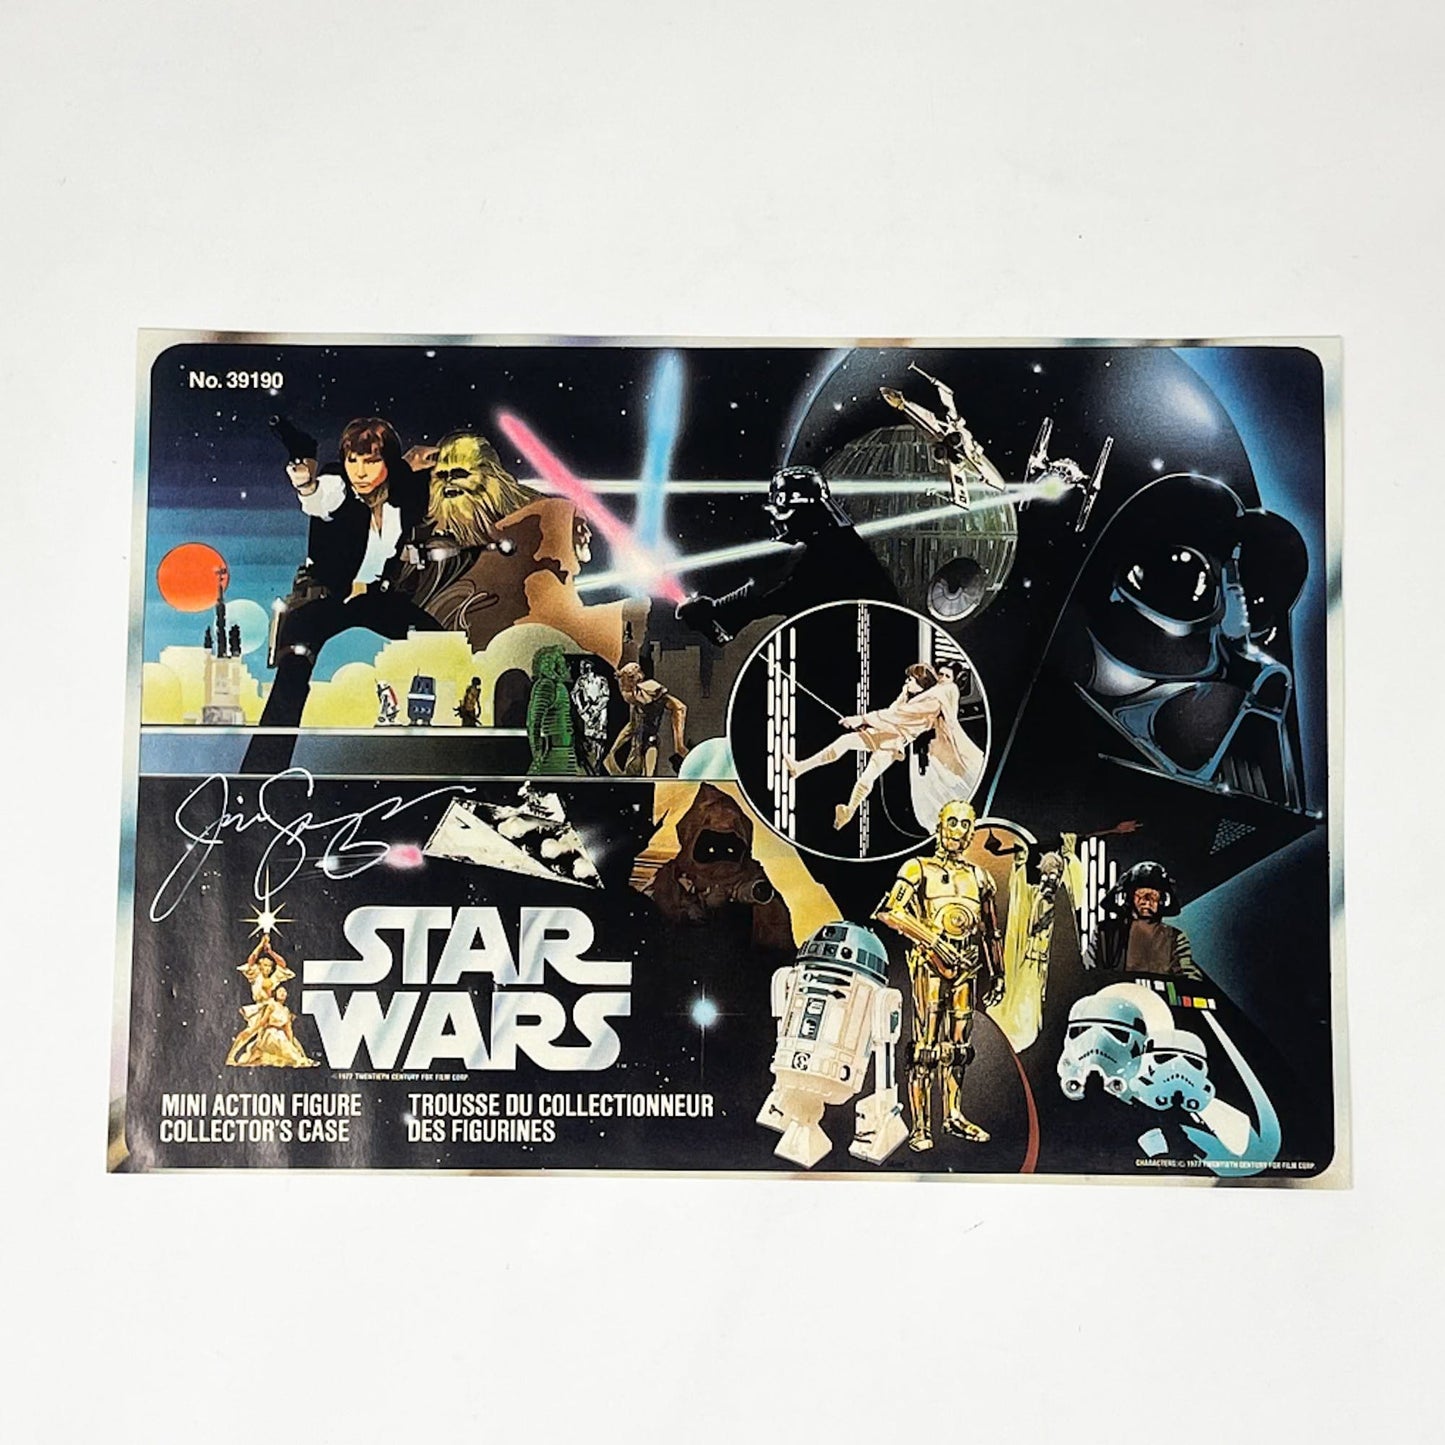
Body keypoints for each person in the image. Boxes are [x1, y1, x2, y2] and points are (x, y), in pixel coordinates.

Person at [244, 417, 440, 771]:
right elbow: (318, 497)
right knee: (294, 669)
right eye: (353, 460)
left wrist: (425, 460)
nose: (360, 471)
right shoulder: (337, 486)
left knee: (437, 640)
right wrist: (305, 482)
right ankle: (261, 770)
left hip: (374, 600)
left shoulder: (403, 496)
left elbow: (413, 472)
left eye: (371, 461)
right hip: (324, 601)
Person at [873, 801, 1004, 1148]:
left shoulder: (980, 877)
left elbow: (991, 930)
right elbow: (890, 911)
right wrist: (932, 940)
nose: (958, 830)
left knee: (958, 1048)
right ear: (940, 826)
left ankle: (954, 1115)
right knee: (925, 1049)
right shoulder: (918, 868)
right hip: (930, 963)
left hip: (966, 966)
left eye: (965, 824)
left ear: (972, 833)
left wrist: (998, 973)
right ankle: (921, 1126)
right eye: (953, 822)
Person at [788, 663, 983, 830]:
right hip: (885, 735)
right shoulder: (919, 698)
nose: (941, 680)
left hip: (892, 742)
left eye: (911, 680)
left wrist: (861, 719)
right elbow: (894, 711)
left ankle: (846, 809)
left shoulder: (931, 704)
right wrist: (900, 697)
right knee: (847, 746)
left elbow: (896, 716)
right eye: (940, 675)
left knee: (865, 773)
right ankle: (803, 771)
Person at [1084, 860, 1203, 980]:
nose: (1146, 901)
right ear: (1130, 896)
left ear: (1161, 900)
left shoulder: (1174, 938)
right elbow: (1085, 972)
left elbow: (1189, 978)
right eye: (1140, 894)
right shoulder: (1105, 932)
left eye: (1153, 895)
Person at [604, 663, 688, 777]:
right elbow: (632, 725)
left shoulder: (653, 693)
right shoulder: (634, 701)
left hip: (650, 742)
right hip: (637, 745)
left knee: (648, 777)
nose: (624, 691)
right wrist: (614, 749)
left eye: (626, 685)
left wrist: (679, 745)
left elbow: (679, 707)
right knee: (630, 775)